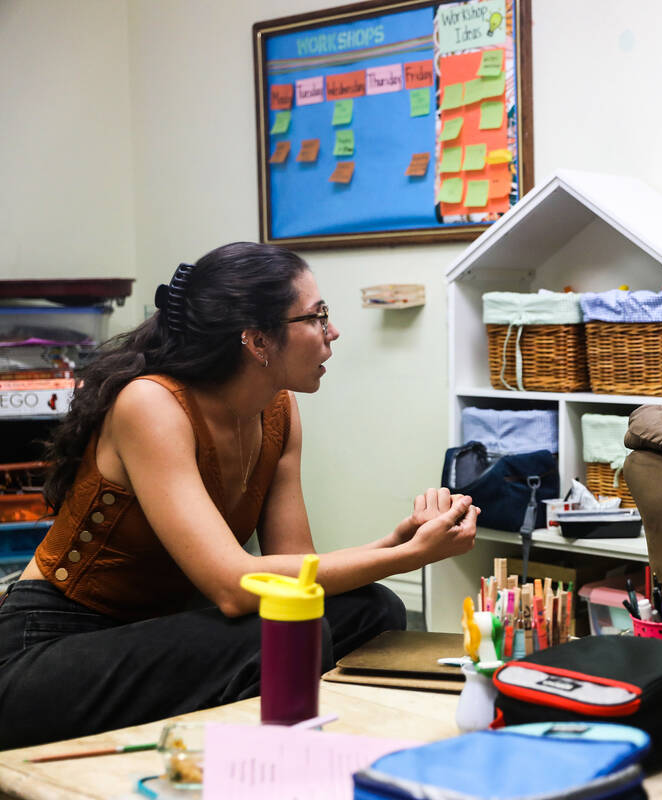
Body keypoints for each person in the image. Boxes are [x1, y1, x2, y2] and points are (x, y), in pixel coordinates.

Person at [0, 242, 478, 749]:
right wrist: (405, 557)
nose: (332, 331)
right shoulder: (151, 405)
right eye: (317, 316)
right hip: (49, 649)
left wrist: (395, 543)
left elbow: (296, 567)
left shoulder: (279, 410)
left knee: (374, 609)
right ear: (257, 340)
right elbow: (232, 586)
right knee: (289, 638)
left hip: (158, 632)